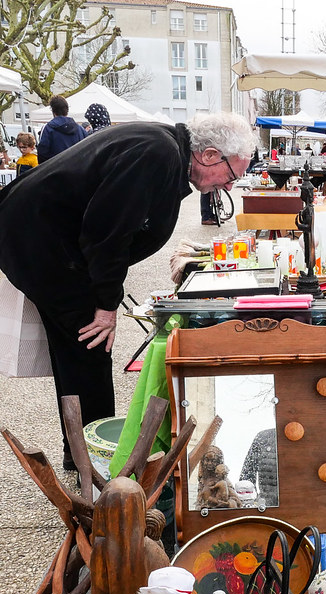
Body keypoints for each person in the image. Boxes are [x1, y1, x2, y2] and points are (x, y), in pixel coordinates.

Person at [0, 111, 256, 470]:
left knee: (78, 349)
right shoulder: (158, 154)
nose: (229, 185)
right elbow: (106, 233)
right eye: (232, 175)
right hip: (42, 243)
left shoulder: (165, 148)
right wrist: (106, 304)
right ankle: (98, 466)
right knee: (89, 345)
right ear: (210, 154)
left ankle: (82, 455)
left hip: (44, 239)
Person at [36, 95, 87, 162]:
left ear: (53, 110)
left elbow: (42, 154)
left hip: (55, 169)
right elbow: (87, 151)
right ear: (67, 110)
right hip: (78, 169)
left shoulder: (48, 129)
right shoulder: (80, 129)